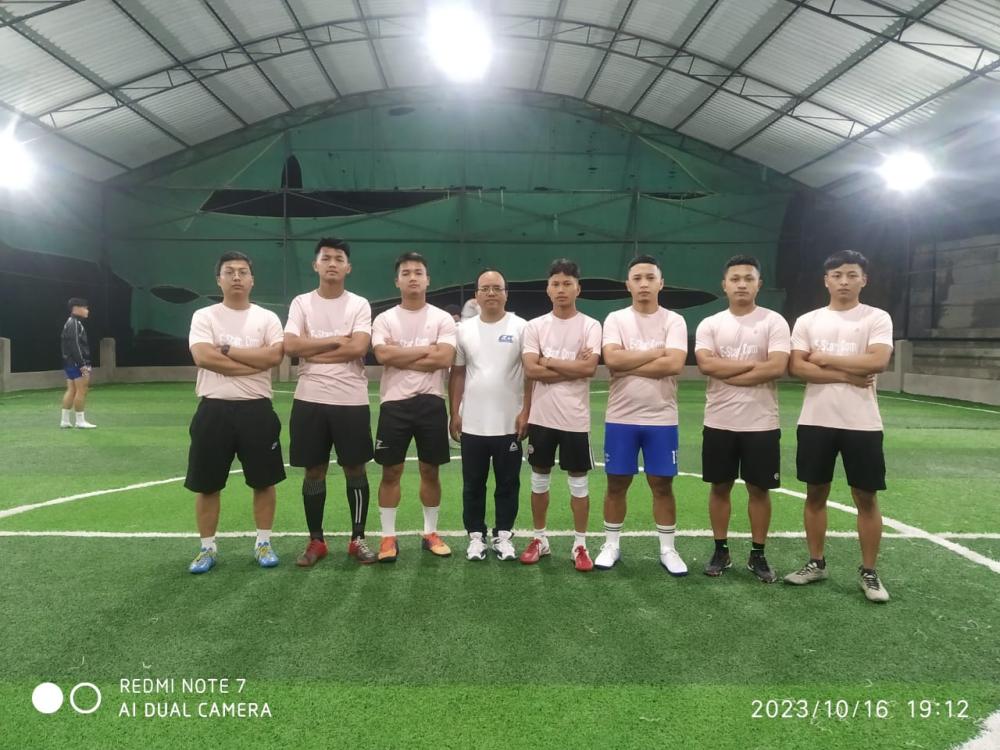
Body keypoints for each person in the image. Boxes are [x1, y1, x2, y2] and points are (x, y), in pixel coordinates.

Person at [784, 249, 893, 603]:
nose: (844, 281)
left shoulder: (876, 318)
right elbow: (798, 367)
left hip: (863, 423)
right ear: (826, 280)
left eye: (851, 275)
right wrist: (848, 373)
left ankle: (869, 571)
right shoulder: (808, 321)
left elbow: (878, 360)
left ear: (864, 279)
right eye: (837, 275)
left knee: (866, 496)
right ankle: (816, 563)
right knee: (815, 493)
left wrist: (825, 358)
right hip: (816, 420)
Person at [185, 251, 286, 574]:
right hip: (213, 409)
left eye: (243, 271)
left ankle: (263, 543)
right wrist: (251, 364)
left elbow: (273, 357)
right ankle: (207, 548)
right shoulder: (205, 316)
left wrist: (228, 352)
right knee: (207, 484)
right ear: (219, 280)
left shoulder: (267, 318)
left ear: (252, 280)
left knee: (264, 481)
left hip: (257, 409)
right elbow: (204, 357)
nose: (237, 277)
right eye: (229, 272)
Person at [694, 255, 790, 582]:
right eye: (735, 279)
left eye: (748, 278)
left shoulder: (774, 321)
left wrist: (728, 371)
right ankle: (720, 550)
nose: (741, 284)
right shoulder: (711, 324)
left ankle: (758, 554)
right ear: (724, 285)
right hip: (719, 421)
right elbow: (706, 365)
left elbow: (776, 367)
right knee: (719, 487)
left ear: (759, 284)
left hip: (761, 423)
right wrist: (754, 368)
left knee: (759, 490)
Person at [283, 237, 377, 567]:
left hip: (351, 400)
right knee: (314, 470)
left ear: (348, 267)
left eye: (339, 258)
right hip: (310, 398)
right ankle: (316, 541)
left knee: (355, 468)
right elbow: (291, 346)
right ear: (316, 265)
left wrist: (313, 349)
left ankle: (358, 538)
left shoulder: (359, 304)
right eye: (326, 258)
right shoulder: (301, 303)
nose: (332, 263)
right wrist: (337, 341)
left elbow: (358, 348)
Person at [594, 255, 689, 576]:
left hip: (662, 419)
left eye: (650, 278)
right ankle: (611, 545)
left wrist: (629, 362)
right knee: (616, 482)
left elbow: (674, 364)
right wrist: (655, 352)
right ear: (628, 285)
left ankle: (668, 549)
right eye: (637, 278)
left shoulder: (674, 320)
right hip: (621, 417)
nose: (644, 284)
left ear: (661, 283)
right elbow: (612, 360)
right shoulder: (616, 319)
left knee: (662, 484)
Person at [371, 251, 457, 562]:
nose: (412, 278)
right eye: (406, 273)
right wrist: (425, 351)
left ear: (427, 279)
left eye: (418, 272)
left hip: (431, 403)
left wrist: (401, 355)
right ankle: (388, 537)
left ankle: (430, 532)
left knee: (429, 470)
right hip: (394, 404)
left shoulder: (442, 318)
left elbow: (444, 358)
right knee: (390, 471)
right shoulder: (384, 319)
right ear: (397, 281)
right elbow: (383, 356)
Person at [519, 258, 601, 572]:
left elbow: (589, 368)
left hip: (574, 419)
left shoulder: (590, 325)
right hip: (541, 418)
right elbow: (530, 369)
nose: (561, 289)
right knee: (539, 479)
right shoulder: (535, 326)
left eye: (567, 283)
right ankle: (540, 539)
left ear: (578, 288)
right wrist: (572, 367)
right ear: (548, 289)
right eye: (556, 283)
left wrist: (549, 361)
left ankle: (580, 544)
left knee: (578, 483)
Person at [448, 268, 530, 561]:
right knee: (473, 484)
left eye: (497, 288)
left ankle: (503, 535)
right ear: (477, 295)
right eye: (485, 288)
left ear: (506, 294)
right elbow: (458, 374)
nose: (491, 293)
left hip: (509, 423)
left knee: (508, 484)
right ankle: (475, 536)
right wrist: (454, 413)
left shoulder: (522, 327)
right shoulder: (463, 330)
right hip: (472, 423)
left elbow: (530, 374)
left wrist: (526, 412)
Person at [60, 297, 96, 429]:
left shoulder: (70, 322)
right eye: (85, 308)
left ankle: (65, 421)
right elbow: (75, 345)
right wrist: (82, 364)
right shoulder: (74, 323)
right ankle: (80, 421)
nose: (87, 310)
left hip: (69, 362)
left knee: (72, 390)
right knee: (82, 390)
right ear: (76, 308)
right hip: (77, 363)